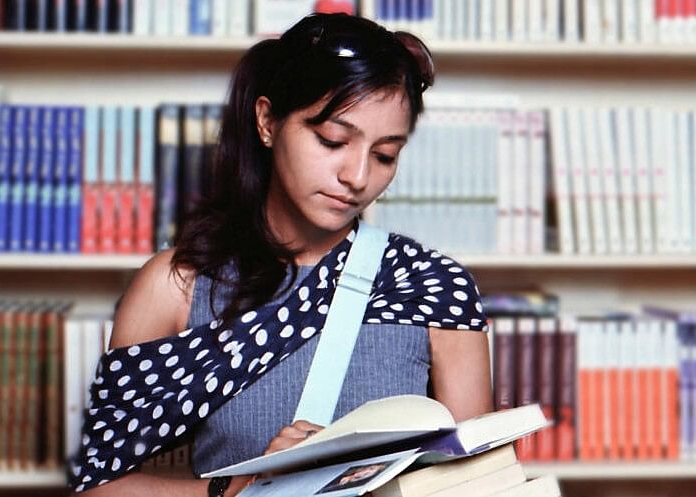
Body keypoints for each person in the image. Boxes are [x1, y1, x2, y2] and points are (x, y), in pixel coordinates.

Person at [69, 13, 492, 497]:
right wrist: (242, 488)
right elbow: (100, 486)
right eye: (333, 140)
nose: (357, 177)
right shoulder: (177, 285)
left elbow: (476, 486)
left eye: (384, 155)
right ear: (267, 122)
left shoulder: (432, 286)